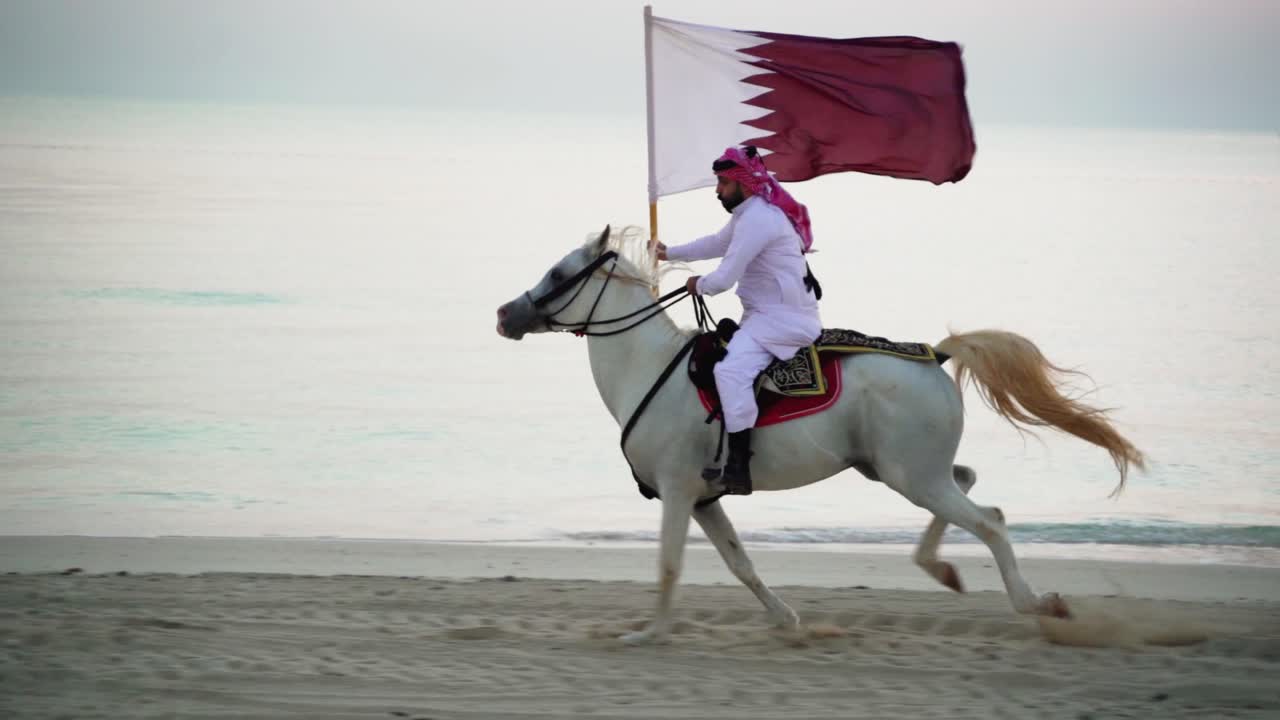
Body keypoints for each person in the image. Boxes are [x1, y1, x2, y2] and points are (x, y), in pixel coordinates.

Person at [652, 145, 821, 495]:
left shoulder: (759, 219)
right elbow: (717, 243)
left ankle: (739, 467)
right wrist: (670, 254)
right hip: (768, 316)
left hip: (778, 321)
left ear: (743, 183)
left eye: (723, 183)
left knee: (728, 372)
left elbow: (724, 278)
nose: (717, 191)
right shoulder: (750, 214)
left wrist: (698, 284)